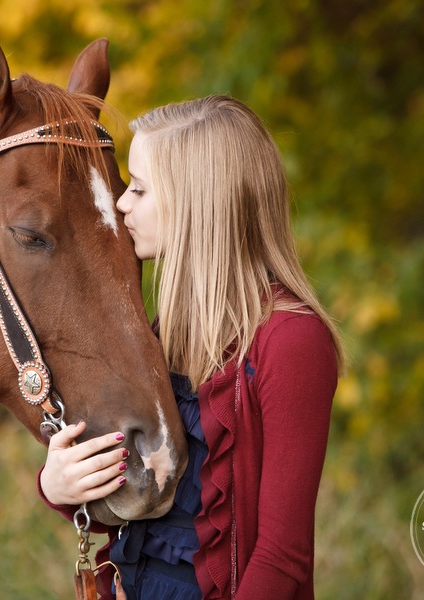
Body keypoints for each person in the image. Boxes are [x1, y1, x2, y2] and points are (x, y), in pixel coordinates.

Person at [38, 95, 344, 600]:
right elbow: (138, 495)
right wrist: (58, 487)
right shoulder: (161, 332)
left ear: (196, 201)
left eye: (138, 188)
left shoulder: (290, 341)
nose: (121, 204)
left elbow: (282, 558)